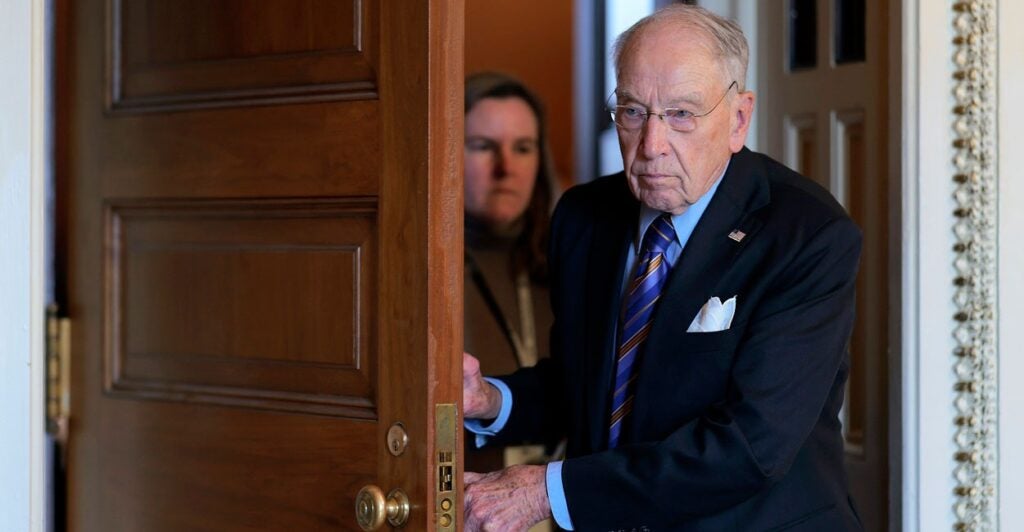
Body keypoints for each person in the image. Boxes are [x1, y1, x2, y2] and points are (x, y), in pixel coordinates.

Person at [462, 5, 864, 531]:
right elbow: (586, 386)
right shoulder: (584, 217)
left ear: (738, 118)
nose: (652, 147)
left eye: (681, 115)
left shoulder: (806, 234)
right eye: (632, 112)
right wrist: (491, 400)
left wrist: (548, 490)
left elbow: (747, 447)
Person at [462, 72, 558, 476]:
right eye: (483, 146)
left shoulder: (571, 261)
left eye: (522, 148)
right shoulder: (416, 271)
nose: (506, 168)